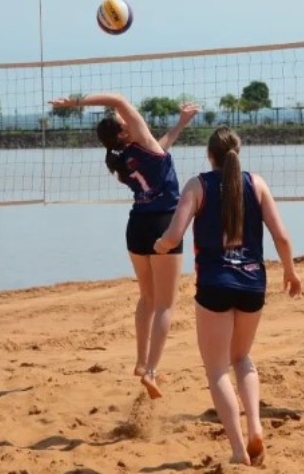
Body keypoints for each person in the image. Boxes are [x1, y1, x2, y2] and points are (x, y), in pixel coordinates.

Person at [154, 126, 302, 467]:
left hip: (215, 284)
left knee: (217, 369)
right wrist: (290, 271)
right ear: (238, 152)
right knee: (242, 358)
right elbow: (281, 236)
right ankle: (256, 427)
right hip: (253, 283)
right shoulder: (257, 183)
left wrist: (160, 245)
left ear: (210, 155)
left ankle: (238, 449)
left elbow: (174, 235)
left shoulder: (198, 185)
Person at [48, 93, 199, 398]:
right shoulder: (142, 144)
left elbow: (163, 145)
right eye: (122, 120)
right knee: (165, 304)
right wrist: (75, 102)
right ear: (124, 132)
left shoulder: (124, 158)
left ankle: (141, 362)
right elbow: (118, 100)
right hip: (163, 224)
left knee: (147, 298)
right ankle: (152, 372)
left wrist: (180, 124)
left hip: (137, 226)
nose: (126, 117)